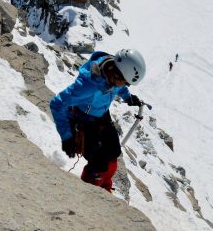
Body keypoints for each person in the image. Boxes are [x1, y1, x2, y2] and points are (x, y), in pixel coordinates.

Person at [50, 49, 147, 192]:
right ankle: (90, 191)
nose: (125, 86)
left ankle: (105, 184)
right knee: (99, 163)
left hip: (101, 114)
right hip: (83, 120)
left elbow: (118, 88)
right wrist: (67, 137)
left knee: (114, 151)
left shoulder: (112, 71)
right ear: (117, 75)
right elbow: (57, 104)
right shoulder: (87, 87)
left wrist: (127, 97)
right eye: (125, 83)